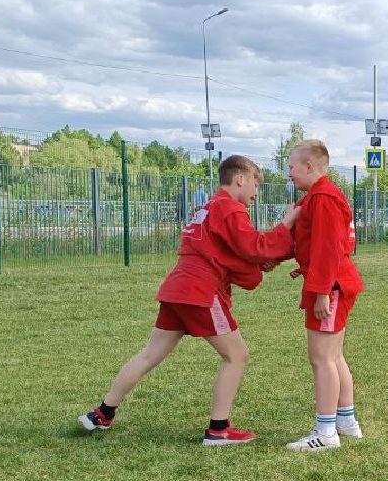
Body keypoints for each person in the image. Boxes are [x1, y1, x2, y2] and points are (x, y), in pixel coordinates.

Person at [79, 155, 298, 445]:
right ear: (240, 179)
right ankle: (218, 429)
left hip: (177, 288)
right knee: (237, 355)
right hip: (200, 292)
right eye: (255, 185)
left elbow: (227, 254)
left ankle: (103, 412)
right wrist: (285, 226)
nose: (256, 194)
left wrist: (260, 264)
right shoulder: (230, 208)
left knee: (149, 354)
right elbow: (255, 248)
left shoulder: (206, 209)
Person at [283, 139, 365, 451]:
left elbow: (328, 249)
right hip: (333, 284)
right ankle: (345, 421)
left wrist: (321, 291)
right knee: (332, 356)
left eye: (291, 166)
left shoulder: (324, 198)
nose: (289, 172)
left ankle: (326, 432)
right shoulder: (318, 197)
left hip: (332, 286)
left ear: (309, 166)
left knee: (321, 359)